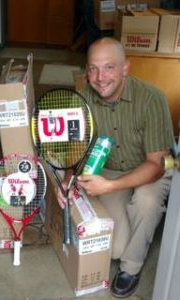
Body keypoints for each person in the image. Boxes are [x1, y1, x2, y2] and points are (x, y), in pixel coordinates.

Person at [56, 37, 175, 298]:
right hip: (107, 169)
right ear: (86, 71)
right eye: (93, 68)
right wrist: (67, 179)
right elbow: (75, 152)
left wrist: (109, 186)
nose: (100, 77)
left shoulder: (152, 99)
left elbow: (156, 165)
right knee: (115, 249)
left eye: (109, 67)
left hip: (150, 168)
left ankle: (131, 269)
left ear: (125, 68)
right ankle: (133, 239)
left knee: (146, 202)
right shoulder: (82, 99)